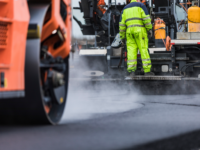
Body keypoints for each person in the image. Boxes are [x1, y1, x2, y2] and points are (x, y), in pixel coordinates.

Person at [119, 0, 155, 76]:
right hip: (140, 31)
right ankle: (147, 71)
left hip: (129, 32)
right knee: (143, 50)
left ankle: (132, 72)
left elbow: (121, 25)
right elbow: (147, 19)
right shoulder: (141, 6)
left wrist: (122, 36)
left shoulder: (125, 9)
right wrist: (149, 29)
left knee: (131, 51)